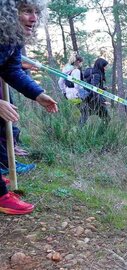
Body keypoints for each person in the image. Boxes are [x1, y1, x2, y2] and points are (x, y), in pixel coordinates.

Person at [0, 0, 59, 215]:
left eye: (36, 12)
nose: (33, 19)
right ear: (6, 11)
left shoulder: (10, 38)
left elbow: (12, 70)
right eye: (26, 11)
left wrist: (38, 94)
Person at [79, 57, 110, 126]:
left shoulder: (94, 73)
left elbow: (93, 87)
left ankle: (76, 134)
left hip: (90, 100)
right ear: (101, 66)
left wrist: (103, 88)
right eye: (105, 66)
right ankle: (99, 135)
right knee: (107, 119)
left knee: (83, 119)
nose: (106, 68)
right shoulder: (97, 75)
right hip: (94, 101)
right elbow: (94, 90)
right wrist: (103, 101)